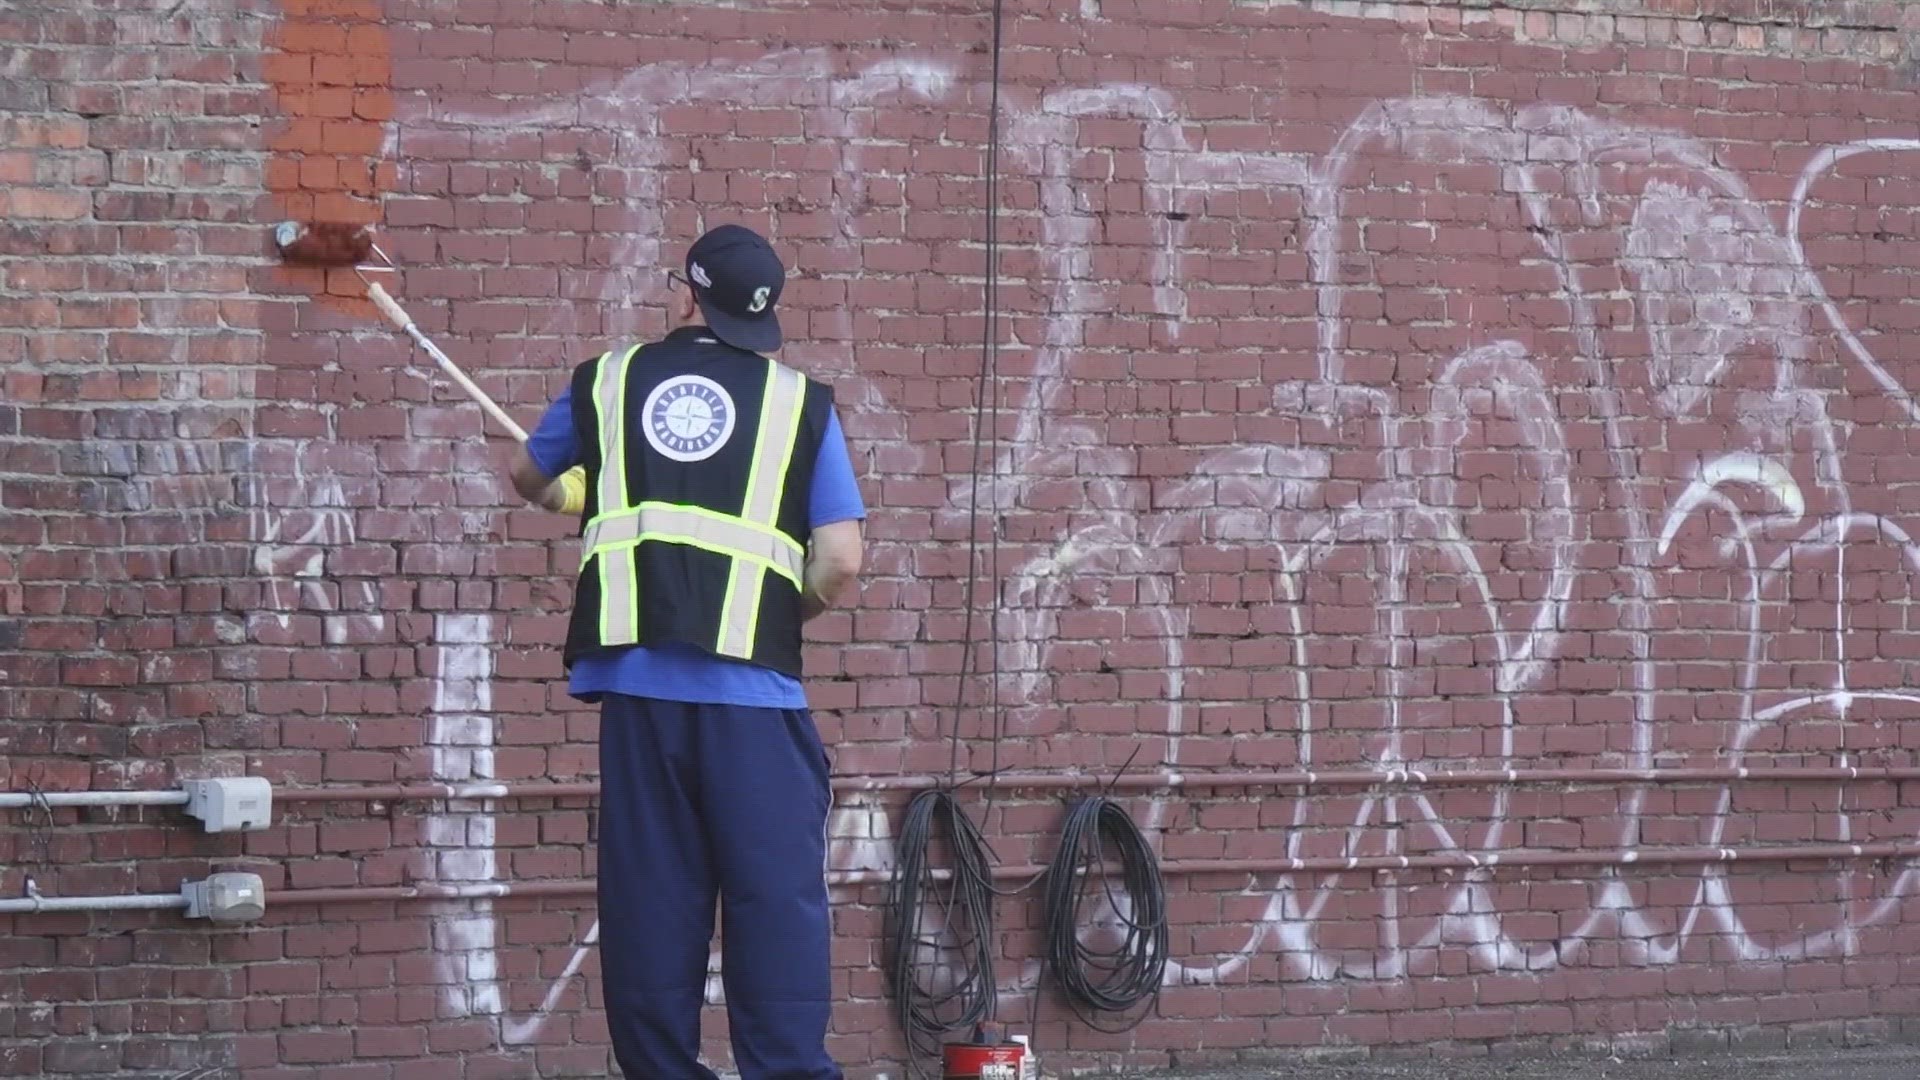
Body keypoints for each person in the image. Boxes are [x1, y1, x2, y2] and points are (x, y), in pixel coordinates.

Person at [504, 222, 865, 1080]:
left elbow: (528, 478)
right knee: (773, 904)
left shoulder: (609, 380)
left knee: (651, 905)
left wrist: (572, 493)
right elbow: (842, 557)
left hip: (639, 700)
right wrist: (783, 614)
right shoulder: (798, 402)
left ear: (684, 293)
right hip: (755, 704)